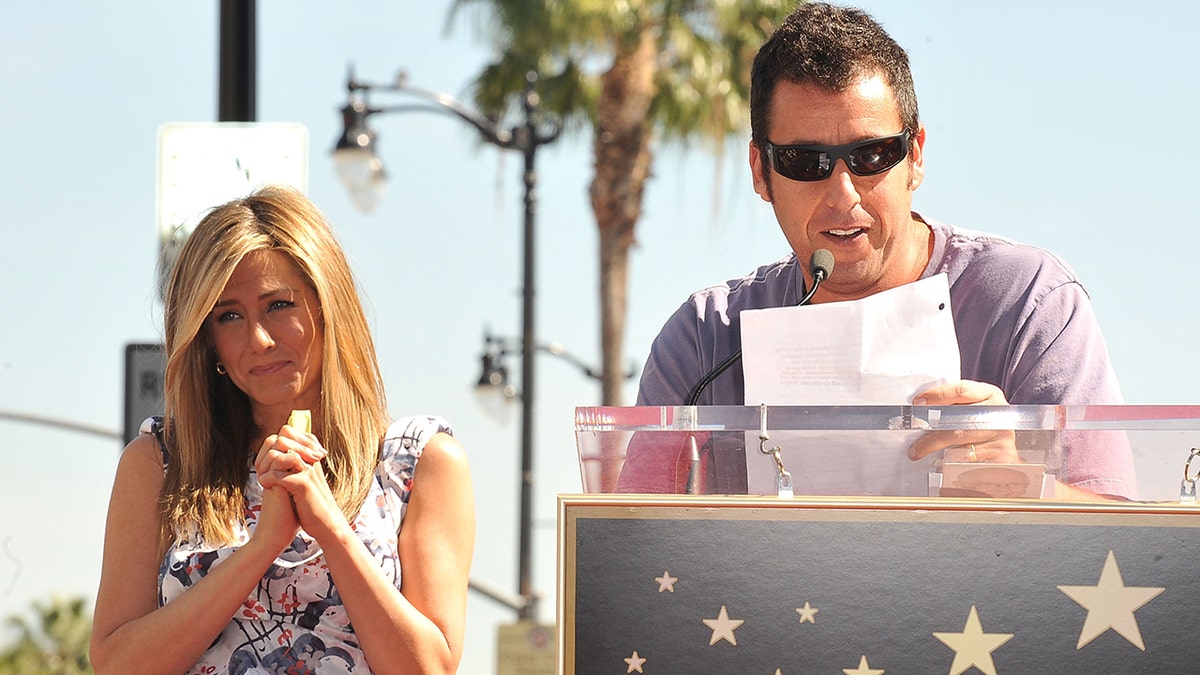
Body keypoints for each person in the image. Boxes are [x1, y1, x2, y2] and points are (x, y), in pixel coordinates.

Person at [628, 2, 1135, 500]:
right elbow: (629, 547)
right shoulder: (702, 341)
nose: (842, 193)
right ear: (761, 172)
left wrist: (1024, 482)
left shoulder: (1029, 301)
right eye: (806, 161)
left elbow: (1126, 542)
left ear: (914, 157)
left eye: (872, 155)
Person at [90, 186, 475, 674]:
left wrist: (329, 527)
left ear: (325, 303)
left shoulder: (418, 463)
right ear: (207, 341)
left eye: (279, 305)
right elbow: (117, 666)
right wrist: (262, 546)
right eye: (229, 316)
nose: (259, 339)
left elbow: (428, 669)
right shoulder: (161, 463)